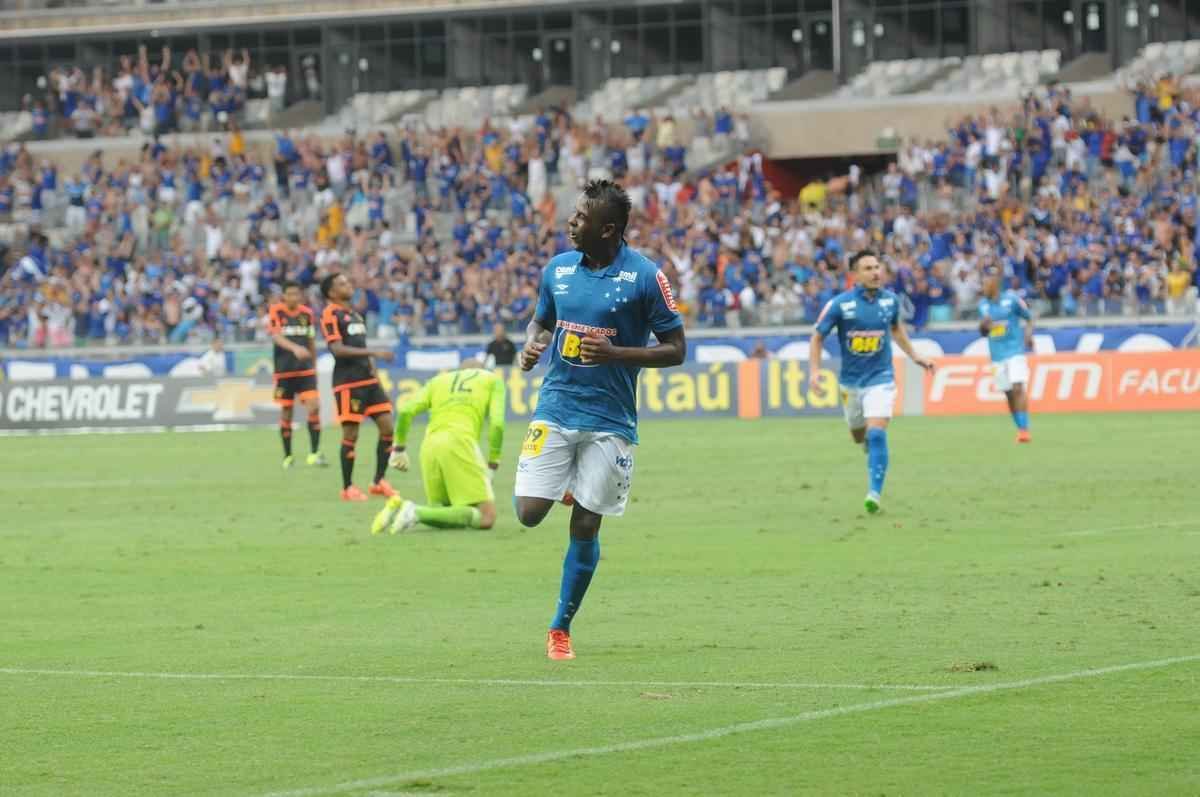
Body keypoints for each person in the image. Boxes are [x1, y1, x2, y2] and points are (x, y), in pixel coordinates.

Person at [514, 179, 687, 661]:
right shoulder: (558, 270)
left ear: (608, 229)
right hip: (556, 405)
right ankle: (569, 479)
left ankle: (560, 628)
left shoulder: (646, 277)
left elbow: (677, 350)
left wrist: (616, 353)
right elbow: (541, 321)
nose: (570, 223)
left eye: (580, 218)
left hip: (611, 420)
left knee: (586, 526)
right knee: (528, 514)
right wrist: (532, 344)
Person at [808, 251, 934, 515]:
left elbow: (897, 330)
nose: (876, 272)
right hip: (851, 382)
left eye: (878, 266)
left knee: (876, 433)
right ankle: (868, 445)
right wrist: (814, 371)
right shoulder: (840, 305)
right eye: (868, 268)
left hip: (881, 378)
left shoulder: (890, 301)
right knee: (859, 435)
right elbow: (817, 337)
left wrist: (915, 355)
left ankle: (874, 493)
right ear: (856, 274)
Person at [371, 360, 506, 534]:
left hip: (429, 446)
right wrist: (493, 462)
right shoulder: (492, 380)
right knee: (487, 516)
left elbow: (405, 411)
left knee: (442, 510)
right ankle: (413, 510)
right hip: (459, 442)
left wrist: (399, 449)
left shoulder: (438, 381)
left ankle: (398, 508)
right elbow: (497, 425)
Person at [319, 272, 397, 502]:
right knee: (351, 434)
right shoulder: (330, 314)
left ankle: (378, 481)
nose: (348, 284)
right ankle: (348, 487)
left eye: (347, 280)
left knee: (387, 427)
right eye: (342, 283)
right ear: (332, 292)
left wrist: (377, 378)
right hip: (348, 382)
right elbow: (338, 349)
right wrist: (374, 351)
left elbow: (360, 346)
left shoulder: (354, 315)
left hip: (369, 380)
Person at [267, 281, 326, 469]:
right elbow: (276, 336)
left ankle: (314, 453)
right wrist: (294, 348)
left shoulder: (307, 314)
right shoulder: (276, 311)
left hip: (305, 370)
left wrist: (314, 367)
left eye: (296, 294)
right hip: (284, 371)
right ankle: (288, 456)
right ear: (283, 296)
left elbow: (310, 341)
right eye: (290, 294)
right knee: (287, 412)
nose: (293, 297)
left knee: (314, 407)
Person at [978, 269, 1034, 443]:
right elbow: (983, 332)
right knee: (1008, 393)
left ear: (995, 284)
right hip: (997, 355)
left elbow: (1029, 317)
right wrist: (983, 325)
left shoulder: (1012, 300)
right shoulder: (983, 305)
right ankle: (1020, 427)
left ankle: (1024, 430)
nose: (983, 287)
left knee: (1018, 387)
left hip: (1015, 350)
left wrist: (1028, 335)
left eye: (986, 283)